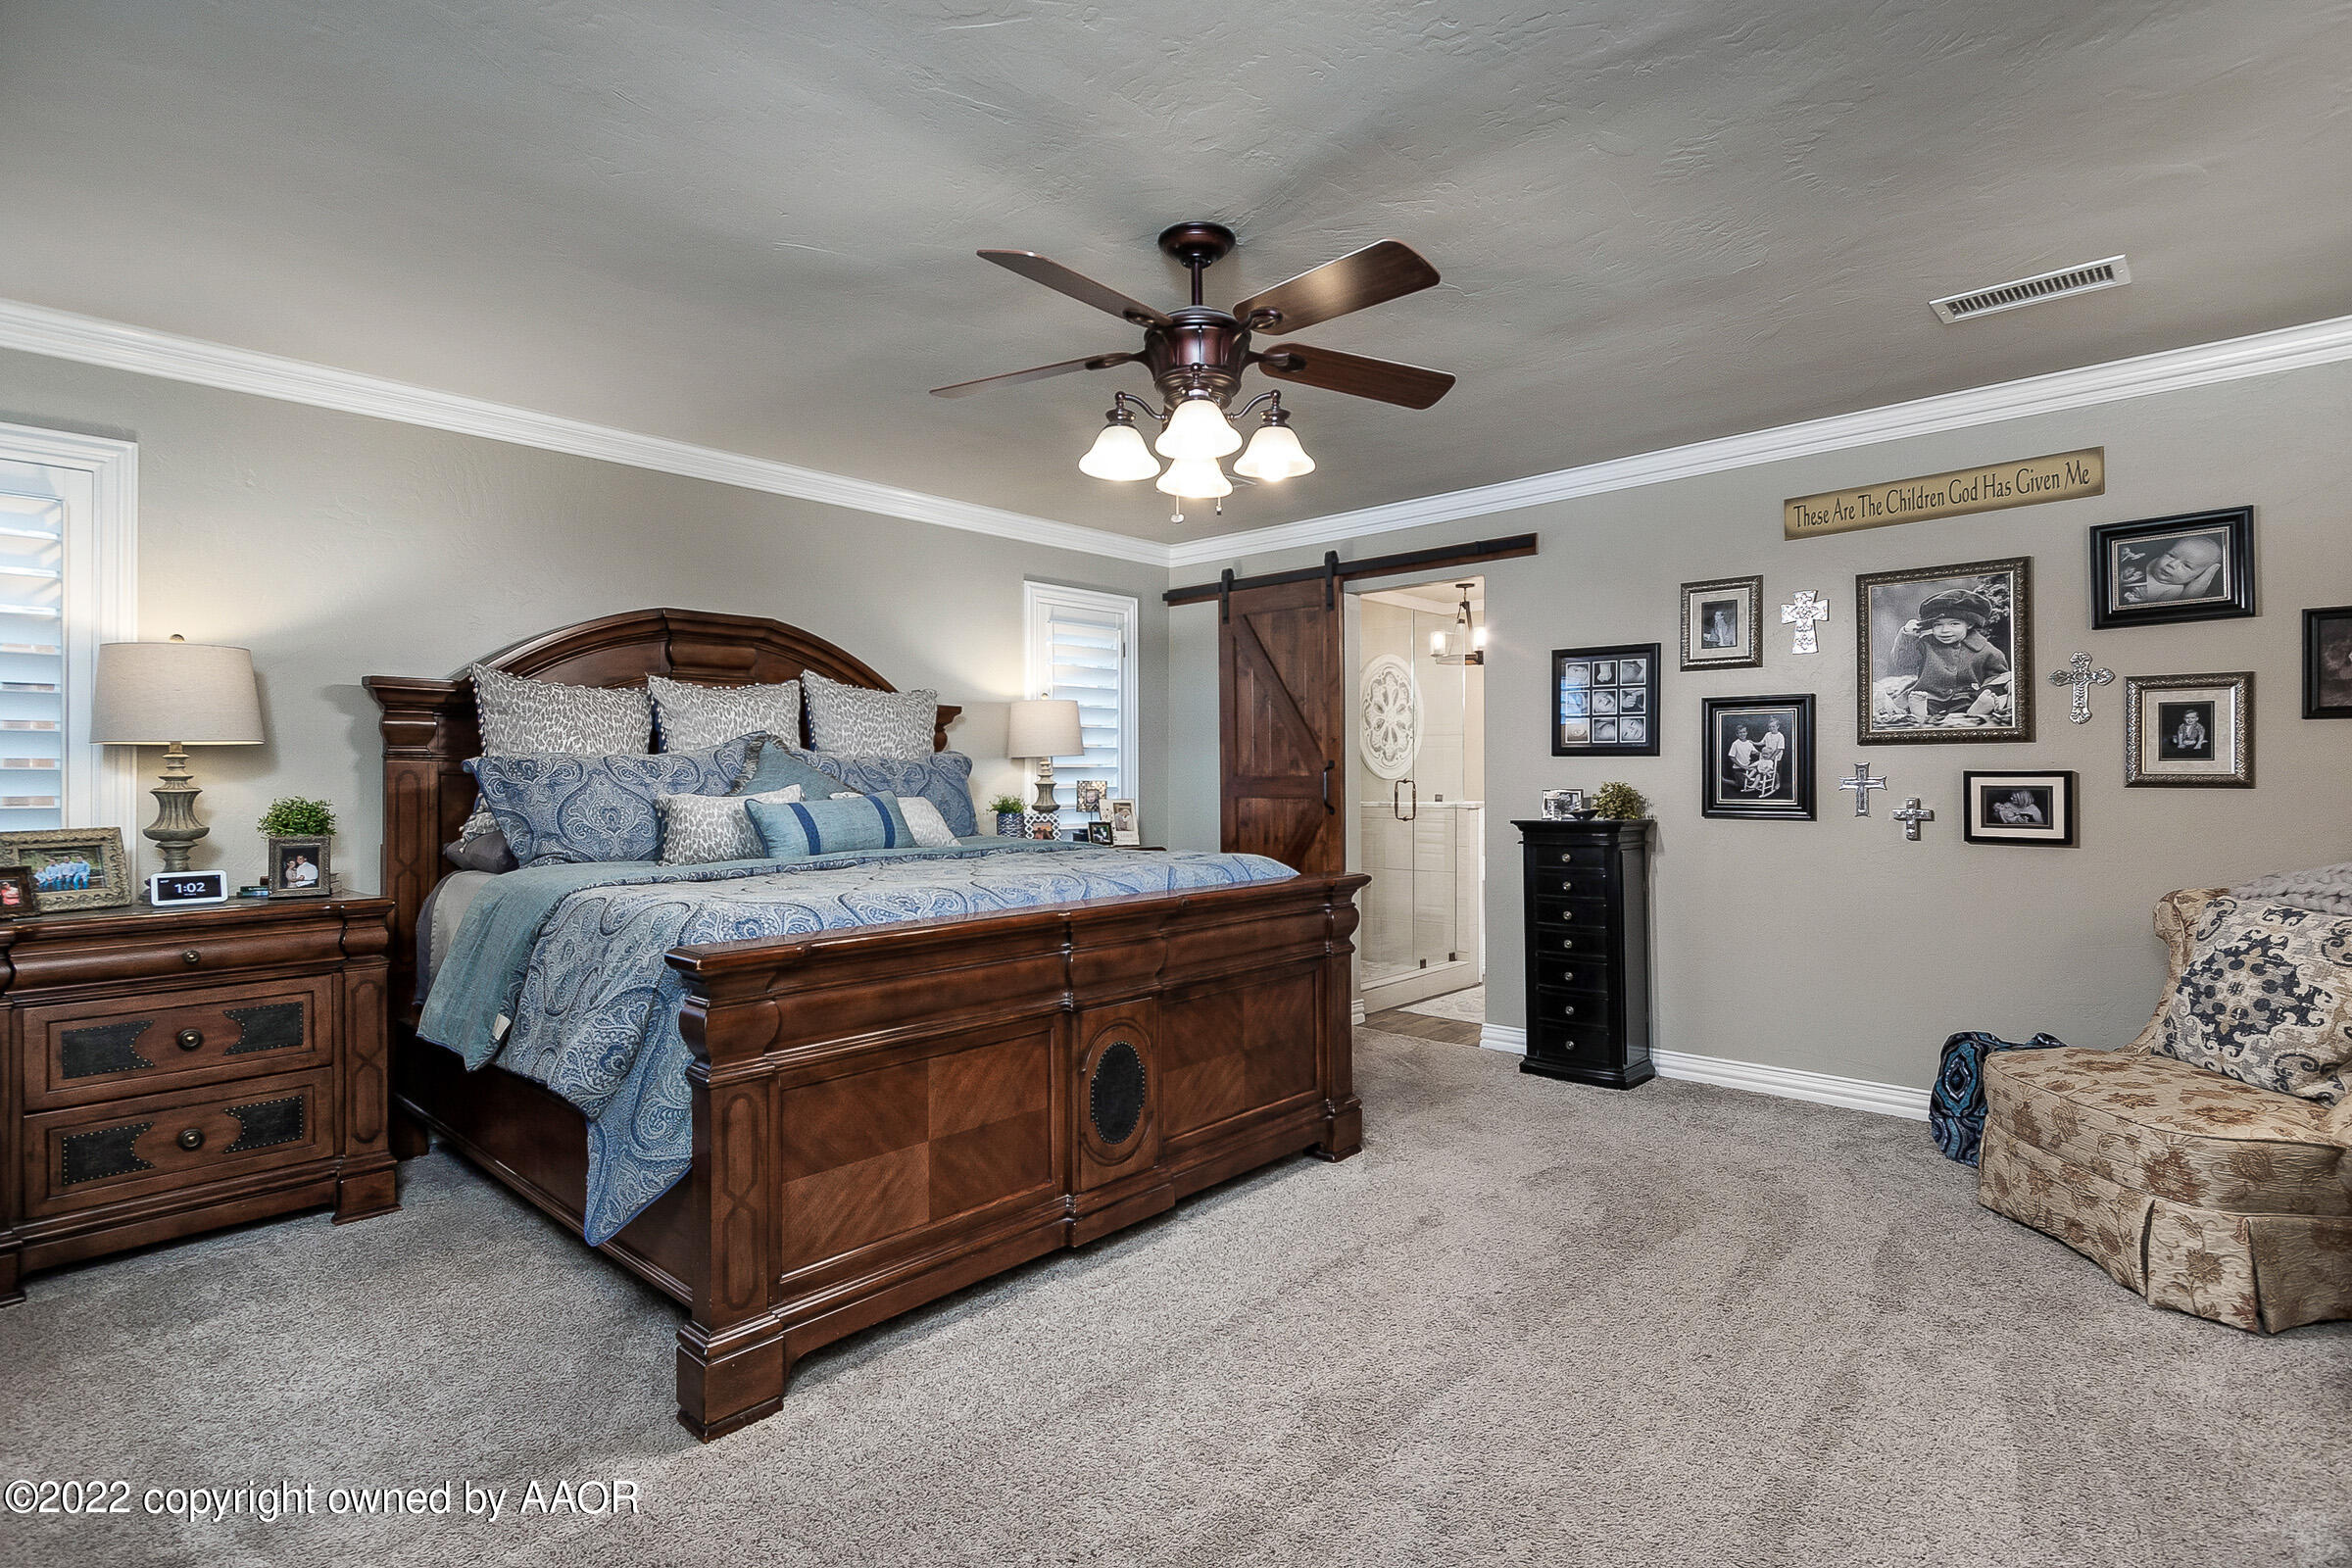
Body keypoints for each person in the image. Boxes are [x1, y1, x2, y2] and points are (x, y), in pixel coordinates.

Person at [1874, 587, 2011, 727]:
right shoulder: (1926, 644)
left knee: (1968, 704)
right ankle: (1919, 714)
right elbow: (1903, 663)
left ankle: (1975, 711)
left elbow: (1998, 675)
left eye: (1954, 624)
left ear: (1969, 624)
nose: (1945, 630)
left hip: (1967, 695)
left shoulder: (1985, 649)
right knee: (1919, 702)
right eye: (1938, 625)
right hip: (1930, 695)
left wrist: (1986, 691)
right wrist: (1908, 636)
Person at [2123, 535, 2223, 604]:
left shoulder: (2173, 590)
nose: (2172, 564)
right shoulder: (2153, 563)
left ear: (2197, 577)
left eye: (2186, 566)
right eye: (2171, 555)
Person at [1750, 716, 1788, 795]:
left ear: (1778, 726)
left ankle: (1777, 783)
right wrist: (1754, 743)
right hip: (1766, 756)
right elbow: (1762, 743)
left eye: (1773, 726)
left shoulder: (1780, 736)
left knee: (1776, 771)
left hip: (1776, 757)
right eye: (1770, 727)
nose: (1771, 728)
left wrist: (1772, 757)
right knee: (1765, 769)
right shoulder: (1767, 734)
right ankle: (1766, 783)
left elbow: (1780, 748)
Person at [1726, 724, 1758, 795]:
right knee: (1741, 785)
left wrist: (1764, 752)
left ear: (1747, 732)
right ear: (1737, 734)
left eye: (1744, 732)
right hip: (1738, 768)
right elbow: (1731, 756)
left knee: (1757, 772)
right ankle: (1724, 780)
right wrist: (1742, 766)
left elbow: (1755, 752)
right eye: (1740, 733)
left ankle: (1750, 783)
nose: (1742, 734)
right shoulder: (1735, 743)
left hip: (1748, 766)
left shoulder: (1749, 743)